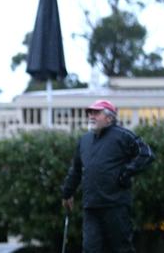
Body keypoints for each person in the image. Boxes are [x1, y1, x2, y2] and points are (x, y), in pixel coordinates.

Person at [61, 100, 155, 253]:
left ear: (109, 118)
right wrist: (67, 193)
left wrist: (125, 173)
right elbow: (76, 170)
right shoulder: (84, 141)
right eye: (90, 113)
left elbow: (147, 154)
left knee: (121, 249)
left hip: (116, 206)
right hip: (91, 206)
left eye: (96, 113)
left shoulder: (123, 135)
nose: (91, 116)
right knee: (90, 249)